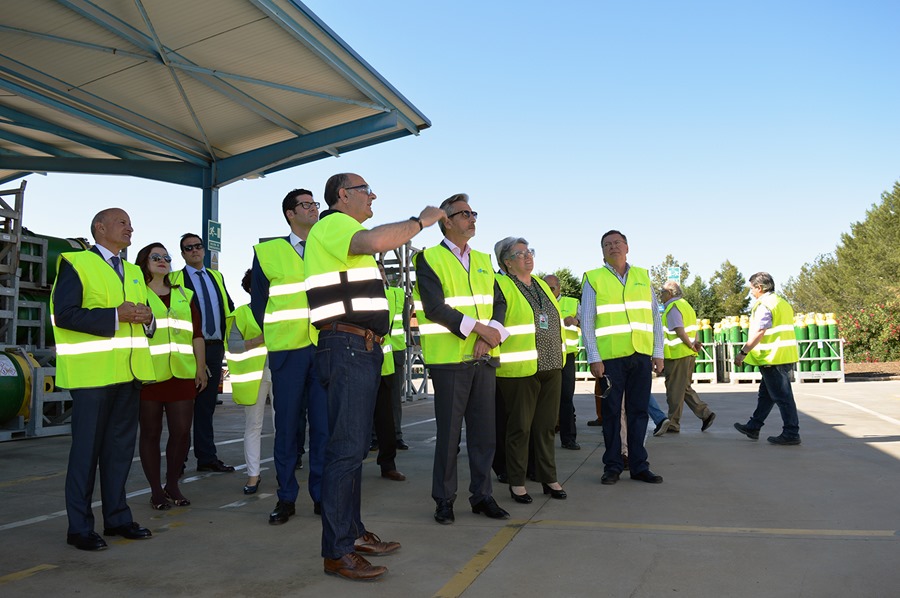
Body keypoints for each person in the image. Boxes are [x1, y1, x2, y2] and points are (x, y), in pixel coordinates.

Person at [305, 173, 444, 581]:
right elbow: (377, 240)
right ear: (343, 195)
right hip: (346, 347)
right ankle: (337, 552)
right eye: (366, 190)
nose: (373, 196)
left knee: (351, 450)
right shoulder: (334, 225)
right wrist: (420, 222)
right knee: (345, 451)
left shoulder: (342, 235)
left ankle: (352, 534)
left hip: (356, 348)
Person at [51, 208, 155, 551]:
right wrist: (116, 315)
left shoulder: (135, 271)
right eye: (123, 222)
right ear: (100, 228)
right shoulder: (76, 263)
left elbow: (148, 318)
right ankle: (79, 527)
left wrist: (147, 317)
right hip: (92, 377)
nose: (130, 228)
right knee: (86, 454)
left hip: (128, 375)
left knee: (119, 453)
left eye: (130, 223)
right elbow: (64, 314)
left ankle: (118, 518)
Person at [413, 193, 510, 526]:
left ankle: (483, 496)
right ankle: (444, 499)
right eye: (465, 213)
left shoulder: (484, 259)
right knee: (449, 437)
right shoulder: (428, 259)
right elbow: (435, 308)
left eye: (473, 213)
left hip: (483, 359)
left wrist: (491, 334)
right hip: (450, 361)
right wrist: (479, 330)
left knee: (485, 435)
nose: (472, 218)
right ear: (447, 221)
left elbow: (500, 303)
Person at [251, 189, 328, 523]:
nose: (313, 209)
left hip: (325, 349)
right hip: (288, 354)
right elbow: (258, 303)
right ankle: (286, 497)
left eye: (315, 204)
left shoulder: (328, 248)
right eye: (306, 205)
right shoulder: (267, 252)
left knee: (324, 428)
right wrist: (276, 336)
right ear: (289, 214)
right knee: (286, 430)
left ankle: (322, 495)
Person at [581, 230, 665, 485]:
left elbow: (655, 317)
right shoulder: (593, 279)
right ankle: (613, 465)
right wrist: (594, 357)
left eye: (617, 243)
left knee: (639, 412)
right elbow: (587, 322)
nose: (613, 247)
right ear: (602, 251)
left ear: (627, 247)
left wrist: (658, 353)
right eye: (607, 244)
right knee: (611, 413)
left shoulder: (642, 276)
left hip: (640, 354)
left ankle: (639, 465)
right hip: (610, 358)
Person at [494, 238, 567, 504]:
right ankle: (517, 482)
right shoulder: (500, 284)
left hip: (551, 364)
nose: (527, 257)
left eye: (529, 252)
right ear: (507, 262)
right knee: (520, 429)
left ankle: (549, 478)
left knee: (546, 427)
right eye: (520, 253)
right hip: (520, 368)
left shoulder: (541, 285)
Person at [137, 242, 207, 510]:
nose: (162, 260)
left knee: (181, 432)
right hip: (149, 374)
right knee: (150, 434)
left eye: (166, 257)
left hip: (181, 373)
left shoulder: (184, 295)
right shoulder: (136, 292)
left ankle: (172, 484)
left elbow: (196, 335)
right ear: (144, 261)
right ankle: (156, 491)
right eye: (155, 256)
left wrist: (200, 368)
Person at [170, 233, 236, 473]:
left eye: (198, 246)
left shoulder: (216, 277)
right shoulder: (174, 279)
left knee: (206, 407)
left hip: (214, 347)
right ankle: (178, 462)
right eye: (188, 248)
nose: (194, 251)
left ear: (204, 250)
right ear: (182, 254)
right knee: (184, 406)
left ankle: (207, 457)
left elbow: (228, 309)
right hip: (188, 349)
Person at [734, 272, 801, 445]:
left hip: (773, 357)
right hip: (783, 355)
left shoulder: (764, 305)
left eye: (752, 289)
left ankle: (791, 432)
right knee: (766, 395)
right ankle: (753, 426)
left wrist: (743, 352)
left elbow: (760, 331)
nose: (751, 293)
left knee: (783, 397)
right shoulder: (781, 302)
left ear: (760, 288)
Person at [225, 269, 271, 495]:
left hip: (283, 372)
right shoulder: (240, 314)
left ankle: (285, 470)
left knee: (286, 424)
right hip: (256, 375)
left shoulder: (283, 309)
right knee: (253, 426)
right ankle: (253, 474)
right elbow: (232, 346)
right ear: (251, 288)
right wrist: (259, 340)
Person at [659, 281, 715, 433]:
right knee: (683, 387)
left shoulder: (673, 307)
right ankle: (705, 414)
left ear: (670, 293)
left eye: (662, 292)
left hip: (678, 355)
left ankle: (673, 423)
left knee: (674, 390)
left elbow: (679, 330)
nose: (660, 295)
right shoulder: (686, 306)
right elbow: (693, 329)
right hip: (687, 354)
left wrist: (691, 345)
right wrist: (695, 343)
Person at [373, 261, 406, 481]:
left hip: (389, 358)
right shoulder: (362, 295)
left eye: (382, 270)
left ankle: (388, 463)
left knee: (387, 411)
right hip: (365, 359)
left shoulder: (396, 294)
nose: (380, 274)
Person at [543, 274, 580, 450]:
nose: (549, 291)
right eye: (545, 287)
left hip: (567, 357)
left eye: (552, 288)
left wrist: (575, 321)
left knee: (566, 397)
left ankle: (569, 438)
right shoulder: (539, 302)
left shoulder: (572, 303)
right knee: (544, 400)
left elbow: (585, 322)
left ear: (559, 288)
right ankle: (543, 439)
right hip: (545, 355)